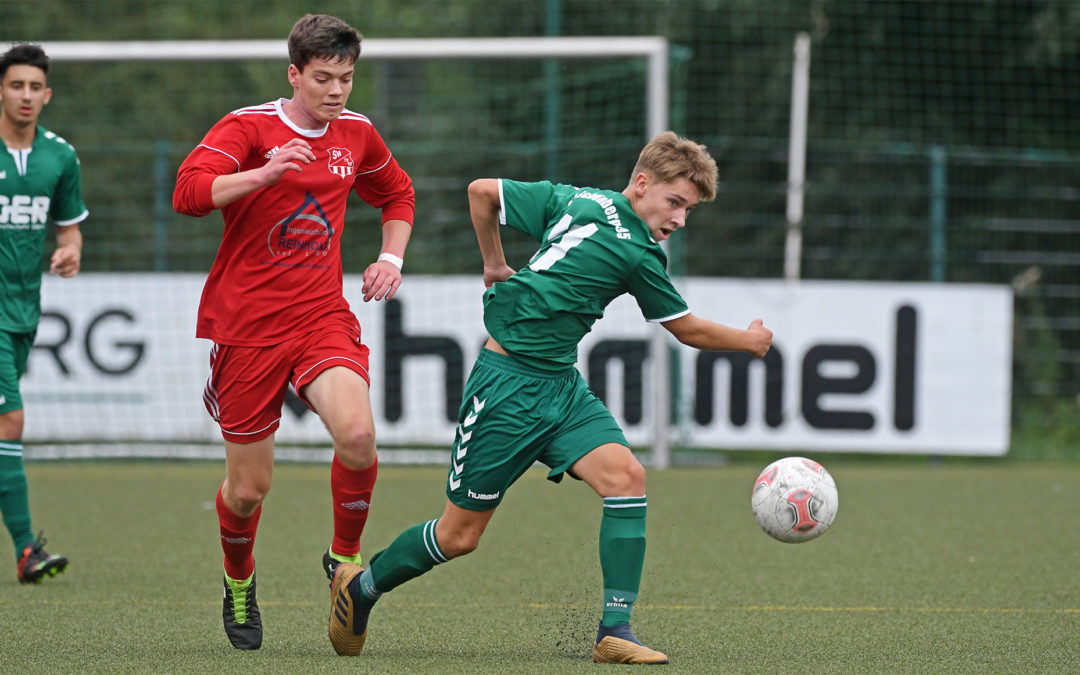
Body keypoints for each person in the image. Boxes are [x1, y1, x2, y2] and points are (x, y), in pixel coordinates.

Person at [328, 131, 772, 663]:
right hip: (506, 390)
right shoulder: (635, 251)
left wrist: (493, 262)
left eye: (689, 210)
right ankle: (360, 588)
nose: (678, 219)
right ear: (642, 182)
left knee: (626, 476)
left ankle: (615, 631)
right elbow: (689, 331)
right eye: (674, 203)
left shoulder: (580, 198)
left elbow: (480, 192)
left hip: (561, 386)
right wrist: (750, 342)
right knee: (458, 536)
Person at [172, 14, 415, 651]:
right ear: (294, 74)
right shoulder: (248, 127)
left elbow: (398, 195)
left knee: (359, 436)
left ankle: (342, 558)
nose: (337, 91)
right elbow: (189, 193)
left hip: (319, 317)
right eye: (323, 78)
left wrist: (390, 258)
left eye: (347, 78)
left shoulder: (356, 134)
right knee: (250, 491)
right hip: (246, 329)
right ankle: (239, 581)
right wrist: (263, 173)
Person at [0, 43, 83, 585]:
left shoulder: (60, 156)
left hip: (24, 310)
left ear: (46, 95)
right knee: (11, 419)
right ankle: (27, 549)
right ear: (0, 91)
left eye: (35, 87)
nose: (26, 95)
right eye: (16, 85)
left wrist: (70, 250)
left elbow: (70, 227)